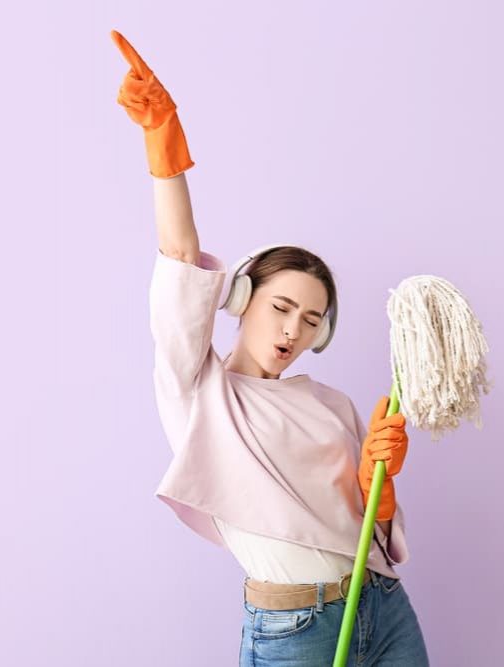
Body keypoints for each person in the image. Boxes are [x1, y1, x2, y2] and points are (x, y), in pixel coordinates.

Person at [110, 30, 431, 665]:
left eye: (311, 320)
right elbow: (178, 257)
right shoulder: (199, 394)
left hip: (383, 606)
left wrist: (382, 490)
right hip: (297, 629)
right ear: (240, 299)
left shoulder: (333, 403)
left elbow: (365, 523)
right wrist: (164, 150)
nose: (293, 331)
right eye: (281, 307)